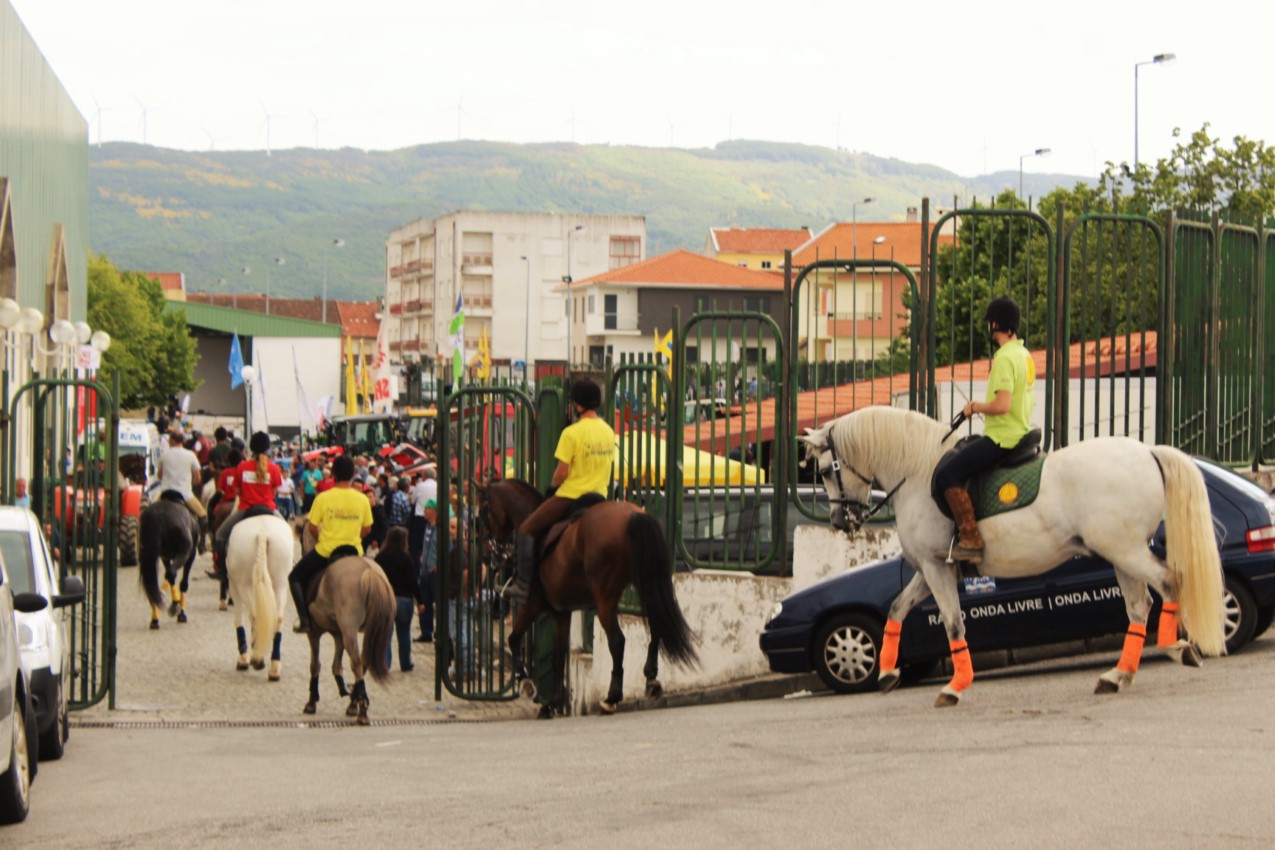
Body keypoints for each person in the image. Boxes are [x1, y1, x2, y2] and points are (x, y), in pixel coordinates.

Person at [935, 295, 1036, 564]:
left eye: (991, 323)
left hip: (1002, 438)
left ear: (996, 325)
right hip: (1018, 431)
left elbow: (1002, 405)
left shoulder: (1004, 358)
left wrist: (974, 407)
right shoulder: (1024, 355)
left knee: (948, 472)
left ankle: (971, 539)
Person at [511, 378, 616, 599]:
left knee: (526, 529)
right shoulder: (608, 431)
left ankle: (523, 584)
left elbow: (562, 472)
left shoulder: (571, 433)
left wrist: (551, 489)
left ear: (578, 405)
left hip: (572, 495)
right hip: (599, 496)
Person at [288, 455, 373, 632]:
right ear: (352, 475)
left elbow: (311, 527)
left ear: (333, 474)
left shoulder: (323, 498)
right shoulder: (362, 499)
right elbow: (367, 529)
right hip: (355, 551)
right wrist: (353, 536)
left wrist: (322, 539)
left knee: (295, 577)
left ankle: (304, 620)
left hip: (326, 551)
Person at [213, 432, 283, 574]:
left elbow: (238, 490)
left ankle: (221, 569)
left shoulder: (242, 467)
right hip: (269, 508)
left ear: (251, 448)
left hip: (245, 509)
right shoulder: (274, 468)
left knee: (220, 534)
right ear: (267, 448)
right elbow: (275, 492)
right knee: (287, 532)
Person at [375, 526, 423, 672]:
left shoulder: (380, 557)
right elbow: (413, 581)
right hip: (404, 599)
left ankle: (385, 663)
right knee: (404, 633)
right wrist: (420, 601)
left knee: (386, 634)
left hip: (386, 599)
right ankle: (405, 662)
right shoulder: (406, 558)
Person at [157, 429, 207, 528]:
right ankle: (202, 542)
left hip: (165, 492)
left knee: (148, 512)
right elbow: (198, 478)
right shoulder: (191, 455)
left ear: (173, 441)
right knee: (203, 515)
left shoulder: (164, 455)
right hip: (185, 494)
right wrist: (193, 484)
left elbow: (159, 475)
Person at [414, 497, 439, 643]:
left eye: (427, 509)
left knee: (437, 601)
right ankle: (426, 632)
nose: (424, 511)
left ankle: (441, 632)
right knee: (424, 602)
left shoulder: (440, 529)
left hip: (434, 571)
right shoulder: (427, 527)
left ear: (433, 511)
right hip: (424, 570)